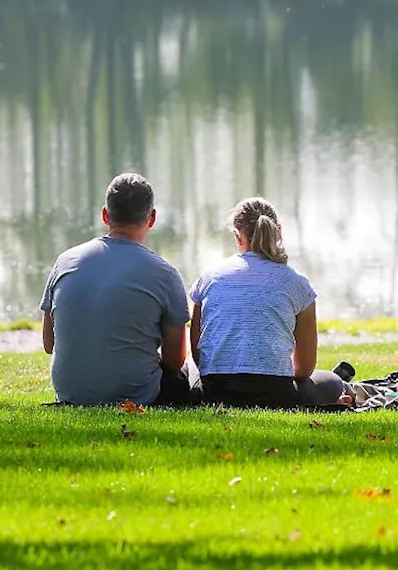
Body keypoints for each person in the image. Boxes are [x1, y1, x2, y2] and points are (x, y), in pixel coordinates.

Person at [41, 173, 192, 406]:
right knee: (189, 374)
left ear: (105, 215)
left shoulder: (65, 261)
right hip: (140, 395)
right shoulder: (165, 274)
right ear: (151, 219)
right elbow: (174, 361)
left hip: (71, 393)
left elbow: (49, 344)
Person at [188, 197, 345, 408]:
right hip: (276, 393)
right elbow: (304, 369)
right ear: (277, 232)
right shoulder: (297, 284)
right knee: (332, 382)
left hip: (216, 390)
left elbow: (199, 355)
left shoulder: (209, 279)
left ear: (237, 236)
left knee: (189, 371)